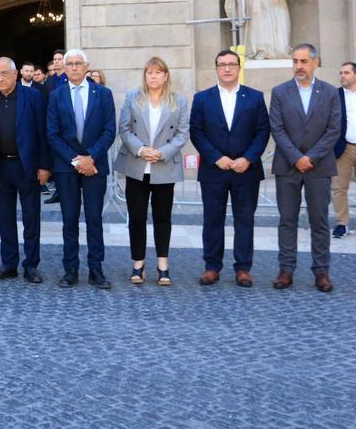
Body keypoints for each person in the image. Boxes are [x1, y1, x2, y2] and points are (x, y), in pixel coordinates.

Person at [189, 49, 271, 287]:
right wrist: (216, 158)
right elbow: (197, 131)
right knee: (213, 219)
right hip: (214, 170)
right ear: (216, 68)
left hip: (246, 170)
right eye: (222, 64)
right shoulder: (202, 98)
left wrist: (248, 158)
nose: (227, 68)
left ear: (239, 67)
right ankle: (212, 267)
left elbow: (262, 131)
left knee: (244, 219)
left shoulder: (254, 97)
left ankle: (243, 268)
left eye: (231, 64)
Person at [269, 43, 341, 292]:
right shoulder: (279, 92)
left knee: (319, 221)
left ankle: (321, 272)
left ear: (315, 62)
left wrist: (310, 157)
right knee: (286, 220)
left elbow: (333, 130)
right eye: (295, 61)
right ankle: (285, 270)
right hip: (287, 166)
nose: (298, 66)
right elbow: (276, 128)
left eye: (303, 61)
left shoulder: (330, 93)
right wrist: (296, 157)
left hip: (319, 167)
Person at [116, 58, 189, 286]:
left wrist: (162, 152)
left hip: (164, 166)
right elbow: (124, 129)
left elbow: (182, 133)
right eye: (149, 73)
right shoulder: (132, 98)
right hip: (137, 165)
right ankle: (138, 264)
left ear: (166, 75)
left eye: (158, 72)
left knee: (162, 217)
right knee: (136, 217)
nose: (153, 76)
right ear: (144, 76)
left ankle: (162, 265)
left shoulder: (179, 101)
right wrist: (140, 149)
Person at [47, 48, 117, 289]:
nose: (74, 67)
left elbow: (110, 130)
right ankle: (70, 270)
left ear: (87, 67)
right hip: (67, 167)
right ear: (64, 69)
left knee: (94, 219)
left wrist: (91, 158)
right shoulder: (56, 96)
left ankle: (96, 269)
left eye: (78, 63)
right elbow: (53, 134)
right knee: (69, 220)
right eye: (70, 64)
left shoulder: (103, 94)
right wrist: (77, 160)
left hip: (95, 167)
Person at [0, 57, 50, 284]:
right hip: (0, 167)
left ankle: (31, 265)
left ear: (16, 74)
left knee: (31, 217)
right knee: (5, 218)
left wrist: (44, 165)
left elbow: (42, 132)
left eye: (4, 73)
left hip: (27, 166)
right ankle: (9, 263)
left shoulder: (33, 97)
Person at [330, 61, 356, 239]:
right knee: (339, 187)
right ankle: (342, 223)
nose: (342, 76)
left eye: (346, 73)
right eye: (340, 73)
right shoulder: (334, 95)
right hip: (343, 147)